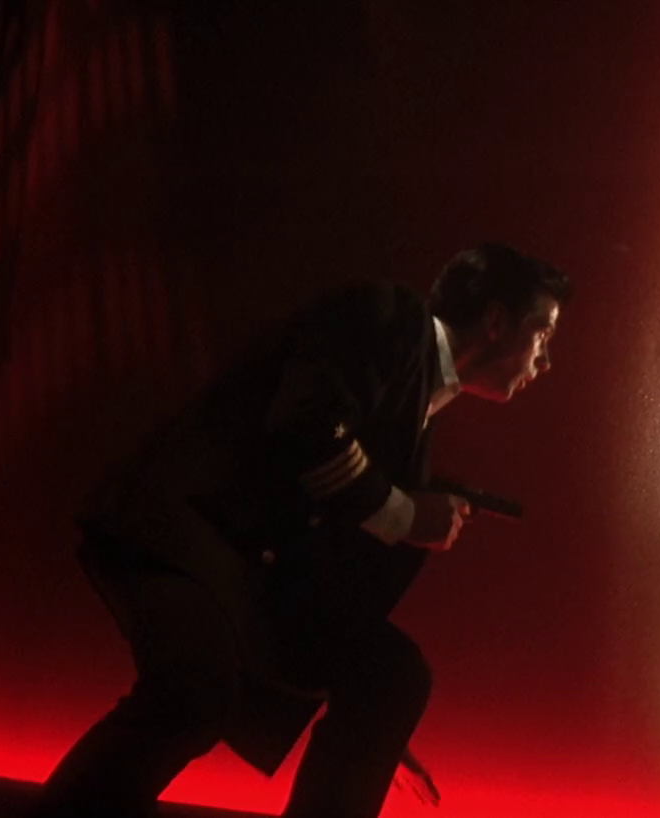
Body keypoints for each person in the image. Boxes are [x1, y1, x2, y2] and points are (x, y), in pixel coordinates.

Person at [30, 243, 569, 818]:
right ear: (495, 321)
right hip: (179, 534)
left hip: (231, 564)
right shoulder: (390, 316)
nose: (544, 361)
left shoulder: (419, 396)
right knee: (193, 694)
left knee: (389, 677)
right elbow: (307, 424)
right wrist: (406, 515)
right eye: (542, 334)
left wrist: (373, 730)